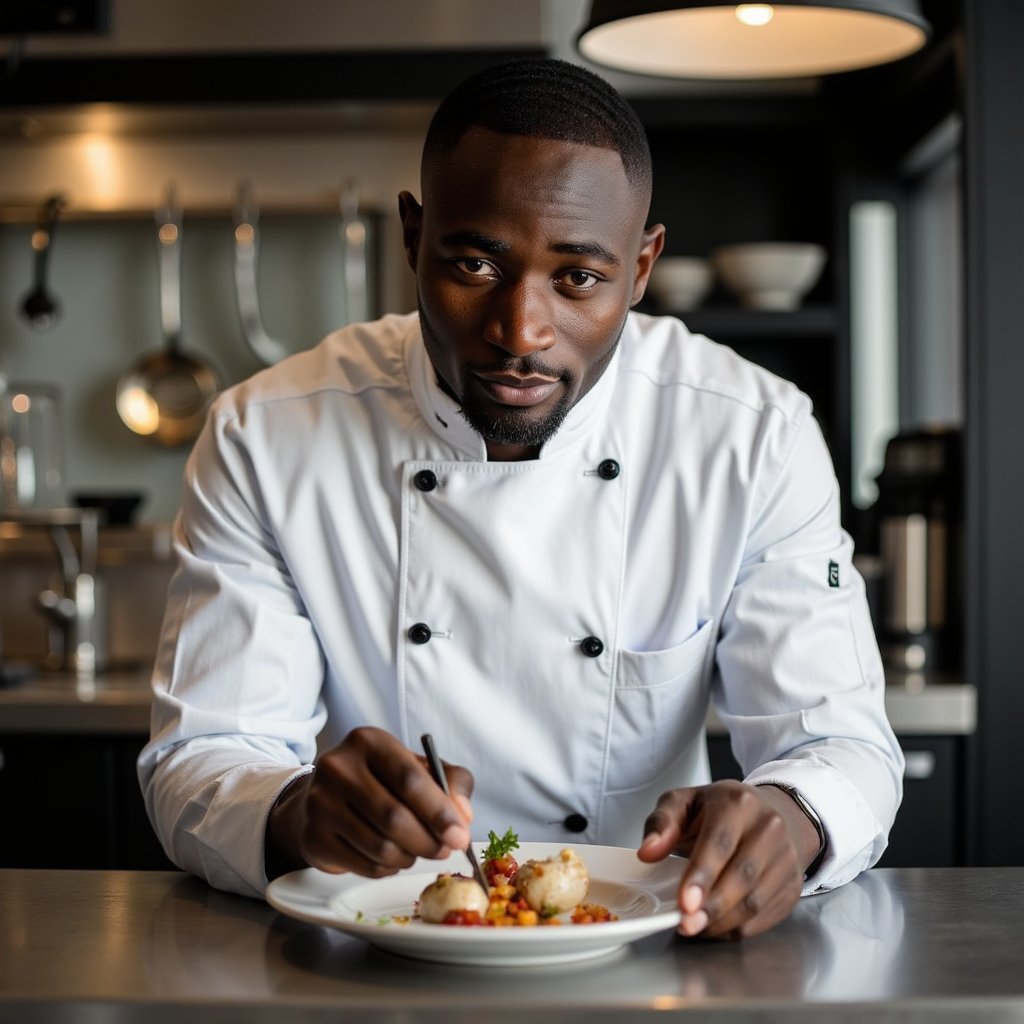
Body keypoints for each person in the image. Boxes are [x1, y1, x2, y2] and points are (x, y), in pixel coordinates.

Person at [138, 57, 903, 940]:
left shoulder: (750, 434)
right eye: (473, 262)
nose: (520, 332)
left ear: (643, 266)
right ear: (412, 239)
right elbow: (199, 759)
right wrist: (292, 812)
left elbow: (841, 745)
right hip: (364, 957)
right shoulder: (264, 436)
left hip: (653, 947)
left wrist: (793, 819)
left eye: (578, 277)